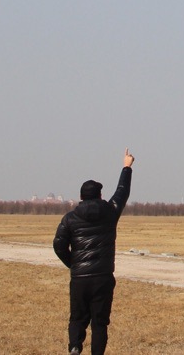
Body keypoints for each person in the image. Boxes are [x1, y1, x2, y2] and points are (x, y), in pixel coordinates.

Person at [53, 148, 135, 355]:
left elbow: (59, 245)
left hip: (80, 278)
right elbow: (122, 192)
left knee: (77, 318)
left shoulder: (70, 218)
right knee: (99, 323)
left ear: (81, 197)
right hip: (103, 277)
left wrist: (73, 264)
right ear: (100, 196)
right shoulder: (110, 211)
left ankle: (75, 346)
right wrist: (126, 167)